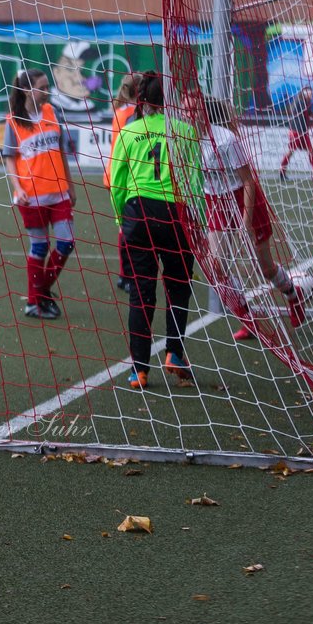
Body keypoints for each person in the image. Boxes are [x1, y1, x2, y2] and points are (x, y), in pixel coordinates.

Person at [108, 72, 200, 389]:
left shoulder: (128, 132)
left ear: (141, 99)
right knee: (177, 286)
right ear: (168, 100)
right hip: (174, 214)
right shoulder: (186, 132)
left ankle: (139, 370)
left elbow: (116, 183)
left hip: (139, 214)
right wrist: (194, 221)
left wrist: (123, 219)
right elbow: (194, 182)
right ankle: (174, 351)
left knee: (142, 294)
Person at [200, 96, 304, 340]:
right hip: (217, 203)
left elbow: (248, 181)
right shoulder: (184, 139)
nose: (184, 113)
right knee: (217, 267)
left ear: (203, 113)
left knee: (265, 267)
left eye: (191, 109)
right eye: (182, 108)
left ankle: (292, 293)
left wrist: (245, 222)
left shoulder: (226, 138)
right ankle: (250, 320)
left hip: (244, 199)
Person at [2, 69, 76, 320]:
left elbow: (62, 151)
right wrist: (18, 188)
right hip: (31, 197)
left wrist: (71, 186)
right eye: (42, 87)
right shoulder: (12, 120)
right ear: (26, 90)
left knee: (66, 243)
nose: (47, 91)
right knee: (40, 247)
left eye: (47, 86)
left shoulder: (51, 112)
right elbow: (10, 159)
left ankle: (39, 295)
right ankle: (35, 303)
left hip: (59, 193)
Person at [106, 73, 142, 293]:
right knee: (129, 228)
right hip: (128, 175)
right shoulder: (132, 114)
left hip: (115, 173)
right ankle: (127, 274)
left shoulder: (119, 111)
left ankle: (125, 274)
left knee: (124, 226)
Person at [278, 86, 313, 179]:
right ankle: (282, 170)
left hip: (302, 131)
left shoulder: (304, 102)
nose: (311, 96)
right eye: (310, 94)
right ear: (305, 93)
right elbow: (295, 112)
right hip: (296, 132)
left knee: (310, 151)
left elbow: (307, 114)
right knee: (291, 151)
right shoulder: (299, 102)